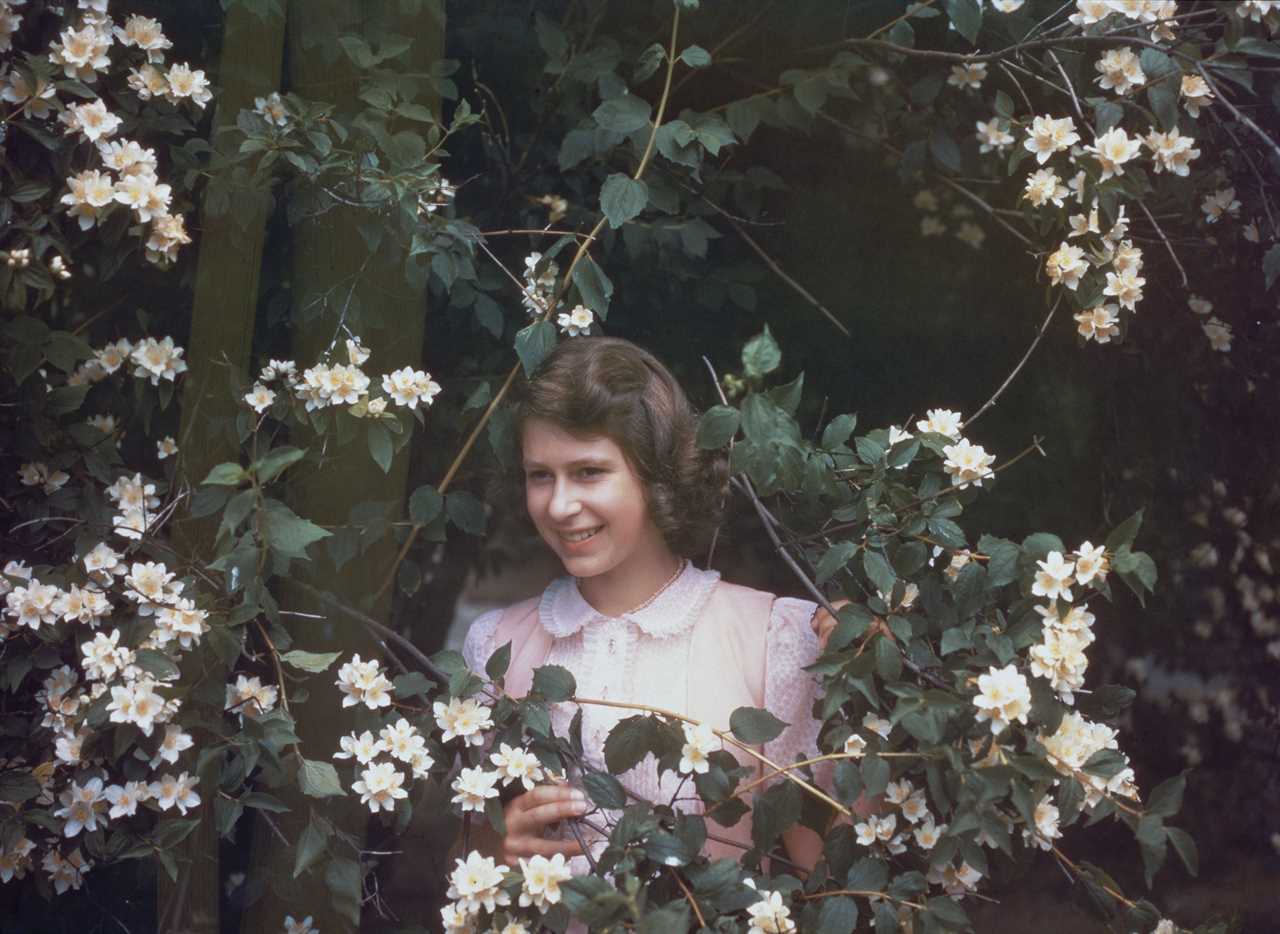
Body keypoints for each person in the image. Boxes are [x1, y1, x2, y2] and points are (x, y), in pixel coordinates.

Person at [461, 336, 833, 872]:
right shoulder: (498, 645)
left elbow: (826, 884)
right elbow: (467, 863)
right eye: (541, 475)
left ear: (657, 474)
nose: (561, 505)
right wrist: (495, 849)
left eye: (589, 471)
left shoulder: (772, 640)